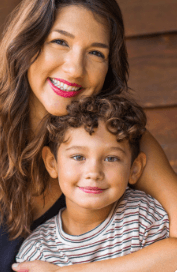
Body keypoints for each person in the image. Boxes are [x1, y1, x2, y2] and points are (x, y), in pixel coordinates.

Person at [0, 0, 176, 272]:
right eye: (60, 42)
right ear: (26, 44)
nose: (74, 69)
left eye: (96, 53)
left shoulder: (117, 136)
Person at [16, 95, 169, 265]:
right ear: (52, 164)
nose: (94, 172)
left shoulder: (145, 218)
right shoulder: (38, 251)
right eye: (78, 156)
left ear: (134, 168)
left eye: (111, 158)